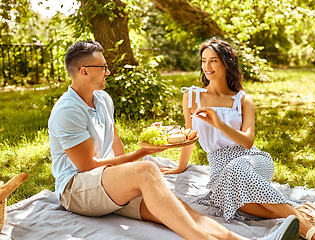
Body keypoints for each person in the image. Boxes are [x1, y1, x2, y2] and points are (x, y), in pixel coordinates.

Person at [48, 40, 300, 240]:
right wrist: (142, 154)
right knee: (147, 169)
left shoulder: (103, 99)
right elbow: (87, 167)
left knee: (177, 208)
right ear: (83, 71)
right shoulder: (69, 110)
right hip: (76, 189)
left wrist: (131, 164)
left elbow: (114, 140)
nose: (108, 71)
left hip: (105, 184)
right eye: (103, 67)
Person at [160, 38, 315, 240]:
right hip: (218, 167)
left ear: (226, 63)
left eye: (213, 60)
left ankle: (304, 226)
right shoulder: (192, 96)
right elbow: (190, 135)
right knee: (230, 202)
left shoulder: (243, 100)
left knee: (236, 170)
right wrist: (180, 166)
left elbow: (247, 141)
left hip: (251, 160)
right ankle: (301, 210)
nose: (207, 66)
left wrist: (218, 123)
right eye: (204, 61)